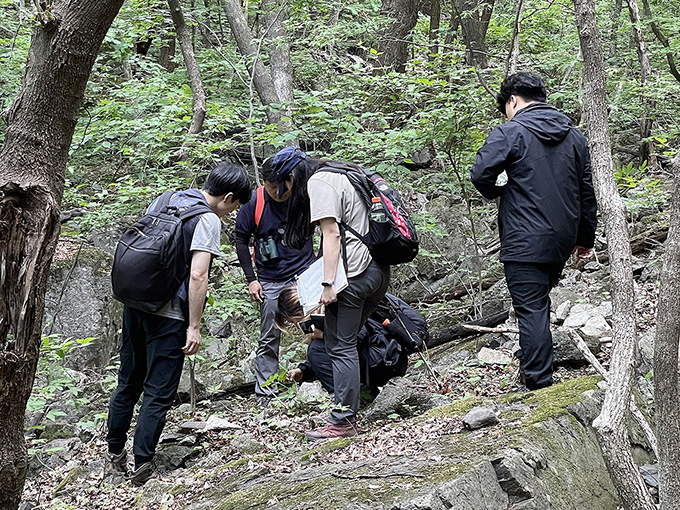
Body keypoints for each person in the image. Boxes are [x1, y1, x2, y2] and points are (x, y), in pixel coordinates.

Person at [105, 162, 251, 485]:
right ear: (228, 197)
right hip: (168, 315)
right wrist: (194, 326)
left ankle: (114, 456)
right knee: (157, 392)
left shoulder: (165, 198)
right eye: (236, 206)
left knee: (127, 382)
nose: (233, 213)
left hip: (135, 305)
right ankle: (143, 466)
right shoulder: (208, 220)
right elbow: (198, 275)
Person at [470, 72, 597, 391]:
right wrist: (585, 240)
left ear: (513, 100)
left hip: (524, 238)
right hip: (561, 239)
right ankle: (531, 372)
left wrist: (502, 186)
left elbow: (481, 174)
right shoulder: (575, 136)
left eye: (506, 107)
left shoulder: (510, 132)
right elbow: (586, 191)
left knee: (531, 309)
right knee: (537, 303)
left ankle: (538, 385)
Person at [272, 146, 390, 440]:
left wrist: (327, 284)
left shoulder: (318, 182)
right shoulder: (343, 174)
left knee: (340, 346)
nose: (286, 192)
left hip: (354, 274)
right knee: (342, 341)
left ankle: (343, 420)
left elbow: (332, 234)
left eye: (284, 185)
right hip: (378, 270)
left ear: (291, 175)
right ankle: (347, 411)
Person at [234, 159, 316, 405]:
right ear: (264, 183)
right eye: (272, 188)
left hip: (304, 271)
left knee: (318, 325)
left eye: (282, 187)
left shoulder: (303, 196)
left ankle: (318, 374)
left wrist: (321, 266)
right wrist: (251, 279)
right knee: (269, 333)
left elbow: (326, 225)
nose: (278, 194)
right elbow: (241, 239)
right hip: (270, 278)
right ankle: (266, 393)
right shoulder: (254, 202)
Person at [275, 287, 427, 394]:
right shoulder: (326, 304)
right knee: (317, 349)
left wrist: (323, 335)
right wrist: (303, 370)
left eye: (295, 322)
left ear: (301, 311)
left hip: (384, 363)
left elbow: (358, 336)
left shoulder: (335, 303)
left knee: (315, 349)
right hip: (387, 359)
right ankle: (359, 394)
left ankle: (345, 402)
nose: (299, 327)